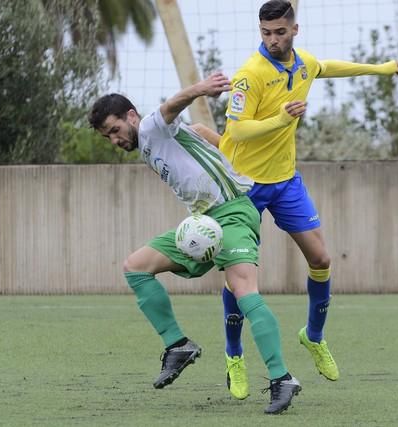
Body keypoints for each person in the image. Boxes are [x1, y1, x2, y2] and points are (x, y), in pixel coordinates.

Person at [214, 0, 398, 400]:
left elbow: (329, 67)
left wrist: (382, 68)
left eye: (280, 32)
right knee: (240, 279)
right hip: (241, 187)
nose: (272, 40)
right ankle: (234, 356)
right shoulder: (248, 76)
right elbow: (236, 132)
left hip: (286, 182)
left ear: (295, 30)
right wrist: (282, 119)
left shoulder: (303, 62)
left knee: (321, 260)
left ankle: (314, 336)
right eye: (265, 33)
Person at [87, 72, 301, 415]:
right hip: (202, 224)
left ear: (130, 116)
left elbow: (171, 106)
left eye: (114, 130)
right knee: (136, 267)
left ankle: (282, 377)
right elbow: (199, 136)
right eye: (106, 136)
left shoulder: (150, 128)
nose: (114, 140)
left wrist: (200, 89)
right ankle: (178, 345)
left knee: (245, 290)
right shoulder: (150, 144)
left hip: (230, 215)